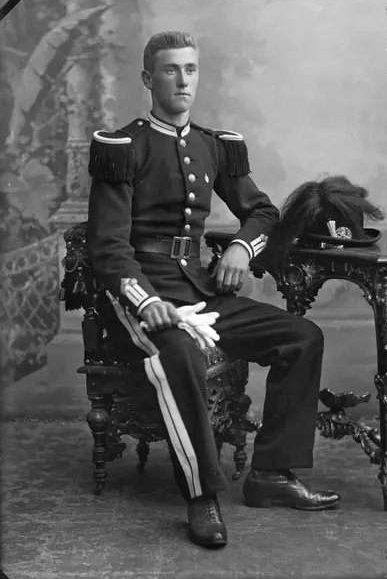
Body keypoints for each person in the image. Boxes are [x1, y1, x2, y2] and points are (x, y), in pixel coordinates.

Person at [87, 31, 340, 549]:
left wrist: (242, 248)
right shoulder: (124, 148)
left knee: (301, 336)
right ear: (148, 79)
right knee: (180, 352)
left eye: (191, 69)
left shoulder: (211, 145)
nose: (183, 80)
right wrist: (147, 301)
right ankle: (201, 494)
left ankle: (270, 474)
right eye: (170, 70)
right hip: (143, 295)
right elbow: (108, 248)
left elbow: (263, 212)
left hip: (199, 290)